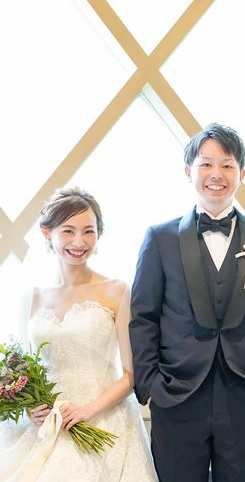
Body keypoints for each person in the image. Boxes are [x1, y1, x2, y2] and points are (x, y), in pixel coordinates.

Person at [129, 122, 245, 482]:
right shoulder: (160, 238)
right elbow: (143, 318)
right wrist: (151, 383)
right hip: (176, 395)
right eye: (206, 164)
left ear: (241, 174)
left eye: (227, 165)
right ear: (188, 171)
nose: (216, 174)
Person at [0, 187, 157, 481]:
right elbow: (18, 369)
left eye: (89, 231)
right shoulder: (32, 297)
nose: (79, 241)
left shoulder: (117, 291)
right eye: (68, 231)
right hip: (45, 424)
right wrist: (30, 407)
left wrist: (87, 411)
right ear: (47, 233)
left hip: (103, 419)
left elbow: (131, 374)